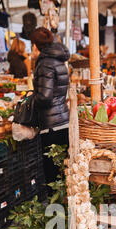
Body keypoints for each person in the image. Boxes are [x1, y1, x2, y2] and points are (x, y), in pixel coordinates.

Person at [29, 27, 70, 185]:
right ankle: (65, 206)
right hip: (62, 120)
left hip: (51, 125)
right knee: (63, 171)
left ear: (35, 45)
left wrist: (30, 100)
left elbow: (45, 97)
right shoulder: (58, 59)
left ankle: (57, 209)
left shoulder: (45, 63)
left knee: (52, 175)